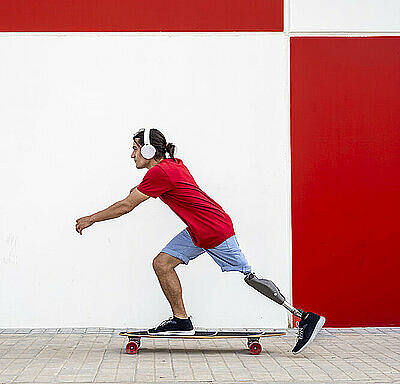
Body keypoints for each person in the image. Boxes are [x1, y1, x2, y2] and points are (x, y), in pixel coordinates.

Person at [76, 127, 325, 354]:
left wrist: (91, 218)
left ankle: (304, 317)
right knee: (162, 264)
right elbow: (159, 187)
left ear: (149, 150)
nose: (132, 155)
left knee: (249, 276)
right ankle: (181, 321)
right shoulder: (173, 164)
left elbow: (127, 205)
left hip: (215, 230)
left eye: (134, 148)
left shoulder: (161, 173)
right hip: (198, 230)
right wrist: (138, 189)